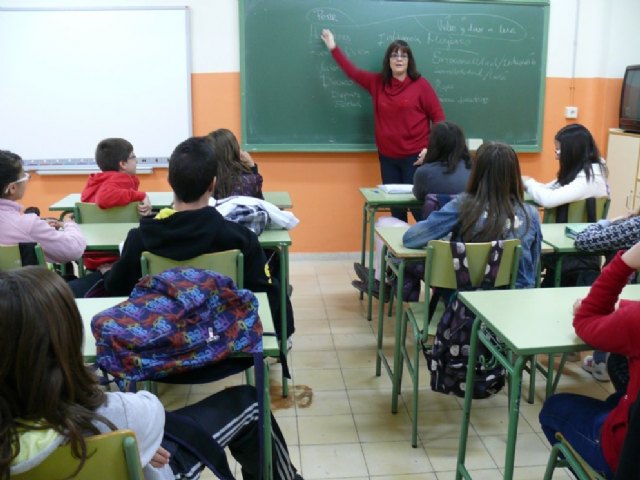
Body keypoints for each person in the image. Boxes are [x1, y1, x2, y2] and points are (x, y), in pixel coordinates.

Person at [0, 266, 303, 480]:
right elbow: (150, 413)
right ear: (65, 341)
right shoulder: (115, 414)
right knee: (250, 403)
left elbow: (118, 278)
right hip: (151, 464)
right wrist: (140, 441)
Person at [87, 136, 294, 340]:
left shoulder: (140, 239)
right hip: (223, 346)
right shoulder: (240, 239)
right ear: (212, 184)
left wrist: (108, 272)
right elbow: (264, 295)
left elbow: (117, 287)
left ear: (170, 182)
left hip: (162, 345)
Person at [539, 239, 640, 479]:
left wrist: (625, 262)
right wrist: (621, 307)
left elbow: (585, 319)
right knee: (614, 398)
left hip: (627, 456)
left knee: (554, 408)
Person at [320, 29, 445, 222]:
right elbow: (352, 72)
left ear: (409, 60)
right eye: (394, 55)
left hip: (415, 158)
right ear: (388, 60)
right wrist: (333, 47)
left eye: (403, 55)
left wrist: (430, 149)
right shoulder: (377, 83)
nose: (399, 59)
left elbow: (439, 119)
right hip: (387, 157)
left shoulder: (421, 86)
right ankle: (398, 252)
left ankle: (428, 248)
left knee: (418, 208)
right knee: (396, 210)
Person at [352, 120, 472, 298]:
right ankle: (380, 277)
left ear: (433, 145)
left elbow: (418, 194)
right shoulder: (475, 170)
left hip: (433, 250)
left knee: (383, 223)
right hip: (471, 252)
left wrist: (426, 163)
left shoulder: (426, 172)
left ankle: (381, 281)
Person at [403, 142, 541, 289]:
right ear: (515, 174)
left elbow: (411, 238)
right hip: (515, 300)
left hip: (467, 300)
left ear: (477, 172)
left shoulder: (463, 205)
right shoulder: (530, 213)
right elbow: (533, 263)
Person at [0, 149, 86, 265]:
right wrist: (69, 224)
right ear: (12, 188)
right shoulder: (27, 225)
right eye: (25, 175)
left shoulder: (26, 225)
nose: (27, 179)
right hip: (22, 283)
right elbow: (73, 250)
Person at [80, 138, 152, 271]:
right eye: (133, 157)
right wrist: (141, 195)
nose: (136, 161)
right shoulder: (122, 178)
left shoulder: (94, 181)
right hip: (117, 256)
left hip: (90, 255)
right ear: (123, 164)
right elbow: (104, 198)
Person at [522, 123, 608, 208]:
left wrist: (529, 182)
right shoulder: (580, 172)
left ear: (572, 152)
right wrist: (526, 184)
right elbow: (548, 189)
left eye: (558, 150)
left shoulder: (591, 179)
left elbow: (548, 200)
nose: (557, 157)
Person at [411, 120, 472, 203]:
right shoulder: (473, 170)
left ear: (433, 144)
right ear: (462, 143)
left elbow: (418, 195)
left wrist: (427, 161)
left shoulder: (423, 173)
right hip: (467, 216)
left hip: (435, 216)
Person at [205, 128, 264, 200]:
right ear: (235, 150)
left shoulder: (207, 182)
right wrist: (252, 167)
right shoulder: (248, 181)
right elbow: (260, 204)